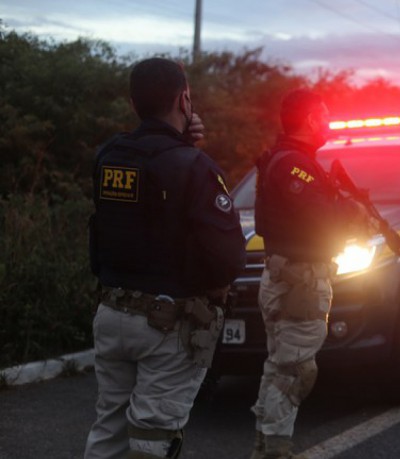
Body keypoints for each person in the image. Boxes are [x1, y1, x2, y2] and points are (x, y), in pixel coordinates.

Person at [85, 57, 246, 459]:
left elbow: (149, 203)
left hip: (112, 313)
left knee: (110, 430)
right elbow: (226, 257)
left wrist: (182, 143)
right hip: (168, 325)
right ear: (184, 98)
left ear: (132, 101)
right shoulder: (193, 166)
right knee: (152, 440)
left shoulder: (110, 156)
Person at [250, 89, 370, 459]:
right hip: (298, 282)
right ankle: (275, 452)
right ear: (311, 120)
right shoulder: (293, 164)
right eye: (325, 116)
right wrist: (353, 216)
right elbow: (321, 218)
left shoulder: (289, 159)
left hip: (289, 278)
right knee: (295, 371)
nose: (329, 123)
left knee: (280, 368)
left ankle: (265, 448)